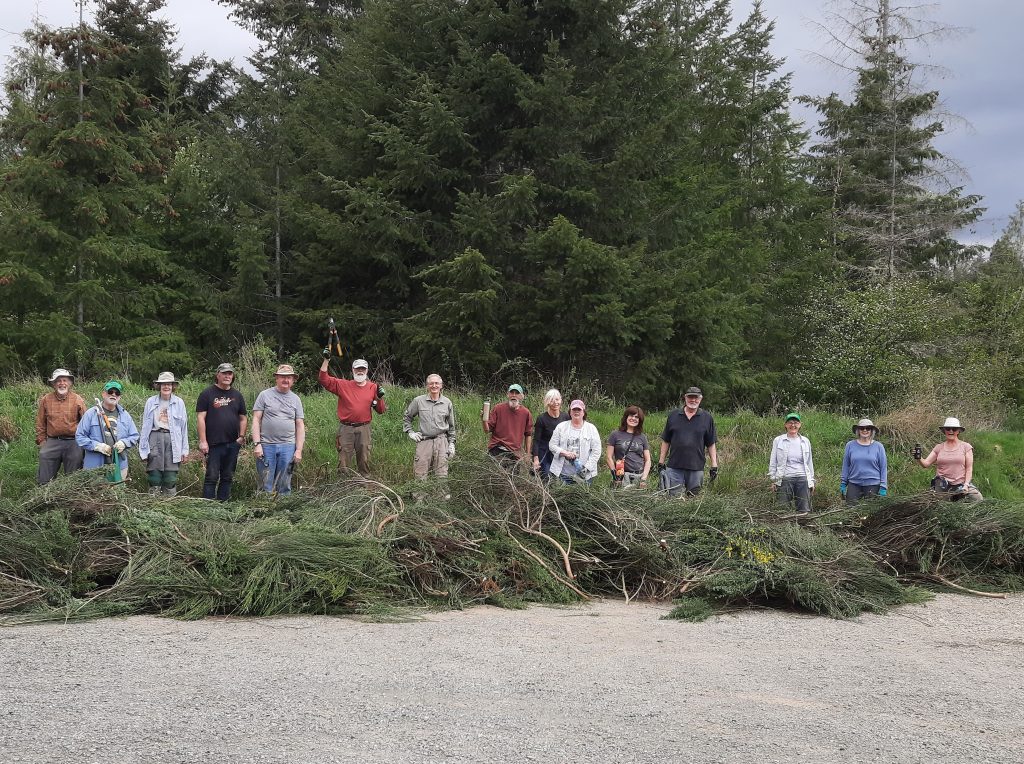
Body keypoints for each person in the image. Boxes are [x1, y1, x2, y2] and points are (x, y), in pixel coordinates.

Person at [318, 356, 387, 476]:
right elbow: (323, 379)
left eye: (363, 369)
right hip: (346, 428)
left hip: (364, 428)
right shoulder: (343, 385)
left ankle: (364, 483)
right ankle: (345, 485)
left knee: (364, 457)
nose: (360, 371)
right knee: (343, 459)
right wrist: (326, 360)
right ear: (353, 370)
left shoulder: (373, 387)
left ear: (366, 371)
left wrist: (380, 398)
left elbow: (380, 410)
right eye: (357, 369)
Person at [196, 362, 248, 501]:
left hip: (232, 443)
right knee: (211, 477)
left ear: (233, 376)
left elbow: (243, 418)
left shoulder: (237, 395)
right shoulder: (207, 393)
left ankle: (222, 505)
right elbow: (201, 418)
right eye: (224, 373)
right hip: (213, 444)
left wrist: (241, 437)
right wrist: (203, 441)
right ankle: (208, 506)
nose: (227, 376)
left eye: (230, 373)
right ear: (217, 375)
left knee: (227, 477)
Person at [251, 365, 305, 496]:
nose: (286, 380)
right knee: (265, 483)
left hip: (288, 446)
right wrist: (257, 444)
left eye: (289, 377)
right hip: (266, 446)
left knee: (284, 484)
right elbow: (256, 420)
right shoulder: (264, 395)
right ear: (276, 378)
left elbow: (300, 425)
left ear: (293, 380)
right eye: (282, 377)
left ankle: (282, 513)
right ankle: (264, 511)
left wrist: (298, 450)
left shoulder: (296, 399)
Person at [658, 387, 719, 497]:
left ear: (701, 399)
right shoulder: (673, 415)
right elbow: (666, 440)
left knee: (693, 499)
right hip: (674, 467)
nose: (693, 400)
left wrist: (714, 465)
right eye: (690, 397)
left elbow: (711, 443)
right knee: (673, 499)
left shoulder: (707, 418)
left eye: (696, 398)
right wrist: (661, 462)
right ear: (685, 398)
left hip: (696, 468)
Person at [75, 380, 139, 480]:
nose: (113, 395)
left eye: (117, 393)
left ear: (119, 397)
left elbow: (135, 436)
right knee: (95, 494)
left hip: (120, 466)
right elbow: (79, 437)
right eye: (110, 392)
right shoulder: (91, 414)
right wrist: (96, 446)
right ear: (104, 394)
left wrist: (124, 443)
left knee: (117, 493)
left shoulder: (125, 415)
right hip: (94, 467)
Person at [139, 372, 189, 497]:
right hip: (155, 439)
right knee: (154, 476)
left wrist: (184, 450)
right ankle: (153, 503)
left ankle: (169, 504)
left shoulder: (179, 403)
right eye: (163, 384)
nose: (166, 387)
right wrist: (143, 449)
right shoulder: (151, 402)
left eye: (169, 384)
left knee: (170, 478)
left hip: (173, 441)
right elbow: (145, 427)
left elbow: (183, 428)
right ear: (158, 386)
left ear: (173, 386)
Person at [35, 367, 86, 484]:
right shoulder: (46, 400)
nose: (62, 383)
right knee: (44, 459)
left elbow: (85, 423)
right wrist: (42, 441)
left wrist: (83, 443)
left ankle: (72, 497)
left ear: (69, 383)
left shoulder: (78, 400)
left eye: (64, 380)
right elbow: (40, 423)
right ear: (53, 384)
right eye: (58, 381)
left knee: (74, 477)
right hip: (53, 441)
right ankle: (46, 496)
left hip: (74, 441)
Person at [914, 417, 983, 502]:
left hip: (961, 484)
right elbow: (925, 464)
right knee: (938, 506)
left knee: (978, 498)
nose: (951, 431)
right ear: (944, 431)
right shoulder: (938, 447)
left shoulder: (966, 447)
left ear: (958, 431)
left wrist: (966, 485)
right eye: (948, 429)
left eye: (954, 429)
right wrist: (918, 457)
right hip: (941, 484)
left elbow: (969, 468)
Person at [404, 373, 456, 485]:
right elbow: (407, 417)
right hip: (424, 442)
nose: (434, 386)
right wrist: (410, 432)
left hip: (442, 442)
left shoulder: (447, 402)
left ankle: (441, 500)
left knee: (442, 474)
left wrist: (452, 443)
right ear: (427, 386)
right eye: (431, 383)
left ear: (441, 385)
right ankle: (420, 500)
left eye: (437, 383)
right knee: (420, 473)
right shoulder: (418, 401)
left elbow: (451, 426)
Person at [767, 412, 815, 514]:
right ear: (785, 425)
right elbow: (773, 461)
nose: (793, 425)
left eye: (796, 422)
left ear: (800, 425)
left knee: (804, 509)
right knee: (782, 509)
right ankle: (785, 528)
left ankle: (802, 527)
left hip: (803, 478)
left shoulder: (805, 441)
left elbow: (809, 462)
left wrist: (811, 480)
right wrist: (774, 479)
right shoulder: (778, 440)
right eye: (790, 422)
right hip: (784, 478)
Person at [548, 399, 602, 485]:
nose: (576, 412)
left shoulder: (591, 429)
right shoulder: (561, 427)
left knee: (583, 498)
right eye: (574, 409)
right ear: (570, 412)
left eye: (579, 409)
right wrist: (564, 453)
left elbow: (596, 451)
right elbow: (552, 445)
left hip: (585, 476)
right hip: (563, 474)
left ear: (583, 413)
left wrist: (585, 469)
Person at [840, 418, 888, 505]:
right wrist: (843, 483)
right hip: (854, 483)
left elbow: (883, 467)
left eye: (868, 428)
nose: (865, 430)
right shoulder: (850, 445)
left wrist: (883, 487)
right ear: (858, 430)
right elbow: (846, 465)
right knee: (850, 511)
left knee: (871, 512)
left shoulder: (879, 446)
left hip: (873, 484)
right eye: (862, 428)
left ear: (872, 430)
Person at [483, 384, 533, 466]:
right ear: (507, 395)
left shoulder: (526, 413)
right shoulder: (498, 408)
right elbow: (487, 430)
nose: (514, 395)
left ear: (522, 396)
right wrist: (484, 420)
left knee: (512, 477)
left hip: (515, 453)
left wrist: (527, 454)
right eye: (511, 392)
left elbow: (528, 434)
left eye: (517, 393)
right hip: (497, 449)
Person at [606, 405, 652, 489]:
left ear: (640, 420)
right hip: (621, 476)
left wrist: (644, 478)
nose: (633, 418)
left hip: (639, 476)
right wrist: (615, 475)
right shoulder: (615, 435)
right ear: (626, 417)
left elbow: (648, 460)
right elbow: (609, 457)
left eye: (637, 417)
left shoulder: (642, 437)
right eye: (631, 415)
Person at [531, 389, 569, 479]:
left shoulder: (566, 417)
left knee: (559, 478)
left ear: (561, 400)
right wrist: (536, 459)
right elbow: (536, 440)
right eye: (552, 400)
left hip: (559, 453)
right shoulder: (541, 419)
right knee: (547, 477)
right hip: (544, 453)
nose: (555, 402)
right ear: (547, 402)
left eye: (557, 399)